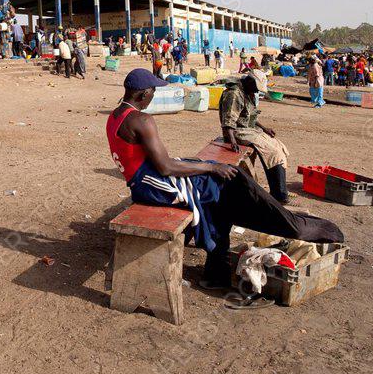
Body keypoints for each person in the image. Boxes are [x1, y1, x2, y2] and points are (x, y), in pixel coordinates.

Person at [107, 69, 344, 287]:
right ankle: (282, 228)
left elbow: (150, 160)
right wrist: (210, 169)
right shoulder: (142, 120)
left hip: (142, 183)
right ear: (143, 93)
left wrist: (205, 166)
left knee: (223, 184)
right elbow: (167, 167)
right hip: (154, 186)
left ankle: (218, 265)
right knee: (224, 188)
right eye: (154, 92)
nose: (154, 96)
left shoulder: (116, 115)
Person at [218, 70, 291, 202]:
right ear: (250, 82)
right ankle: (279, 195)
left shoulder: (246, 91)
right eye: (256, 88)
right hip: (236, 132)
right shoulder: (234, 94)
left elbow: (249, 115)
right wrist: (232, 141)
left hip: (248, 130)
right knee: (273, 152)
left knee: (279, 147)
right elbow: (228, 122)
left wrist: (264, 128)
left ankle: (279, 191)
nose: (257, 92)